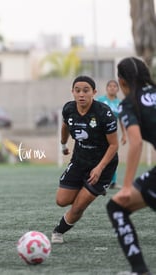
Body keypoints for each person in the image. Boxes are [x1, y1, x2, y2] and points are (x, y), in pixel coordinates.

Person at [51, 75, 119, 244]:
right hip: (80, 160)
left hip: (103, 165)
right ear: (72, 92)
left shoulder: (104, 113)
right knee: (61, 201)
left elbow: (114, 145)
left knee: (79, 205)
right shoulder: (68, 109)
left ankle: (58, 231)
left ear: (94, 92)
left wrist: (99, 168)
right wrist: (63, 144)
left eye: (86, 91)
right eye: (77, 90)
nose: (81, 94)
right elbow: (65, 126)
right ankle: (86, 190)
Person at [106, 57, 156, 275]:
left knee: (116, 206)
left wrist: (126, 186)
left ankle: (139, 270)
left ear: (121, 81)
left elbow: (134, 141)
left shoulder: (129, 103)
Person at [97, 79, 127, 189]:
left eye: (115, 86)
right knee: (97, 156)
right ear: (106, 88)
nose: (112, 88)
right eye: (110, 86)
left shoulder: (120, 103)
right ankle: (95, 178)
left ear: (118, 89)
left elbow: (122, 120)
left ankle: (112, 182)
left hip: (113, 134)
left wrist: (124, 134)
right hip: (99, 134)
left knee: (112, 157)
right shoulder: (100, 100)